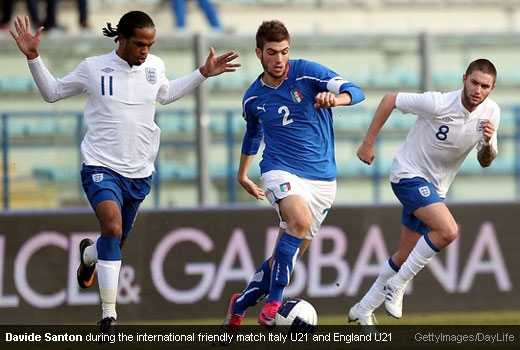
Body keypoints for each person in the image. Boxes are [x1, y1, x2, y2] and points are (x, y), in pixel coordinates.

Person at [10, 11, 240, 333]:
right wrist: (34, 57)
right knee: (113, 227)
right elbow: (53, 93)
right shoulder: (93, 68)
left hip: (139, 171)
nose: (145, 51)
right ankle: (109, 315)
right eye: (139, 44)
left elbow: (166, 94)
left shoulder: (155, 66)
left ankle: (89, 255)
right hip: (100, 166)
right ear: (122, 39)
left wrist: (202, 73)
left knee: (112, 241)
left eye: (150, 45)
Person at [220, 20, 365, 343]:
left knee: (286, 257)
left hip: (323, 181)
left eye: (284, 52)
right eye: (272, 53)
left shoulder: (307, 73)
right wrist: (243, 173)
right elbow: (253, 134)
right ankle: (274, 304)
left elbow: (357, 91)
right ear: (259, 53)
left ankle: (240, 303)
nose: (279, 60)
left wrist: (336, 100)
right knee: (298, 221)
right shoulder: (253, 98)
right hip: (279, 170)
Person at [348, 59, 499, 326]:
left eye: (484, 86)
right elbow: (389, 100)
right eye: (474, 82)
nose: (478, 90)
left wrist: (487, 142)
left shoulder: (491, 113)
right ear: (464, 79)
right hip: (408, 174)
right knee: (448, 230)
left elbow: (485, 161)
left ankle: (364, 308)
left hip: (435, 189)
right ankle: (398, 284)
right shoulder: (439, 103)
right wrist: (368, 142)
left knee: (404, 255)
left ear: (492, 88)